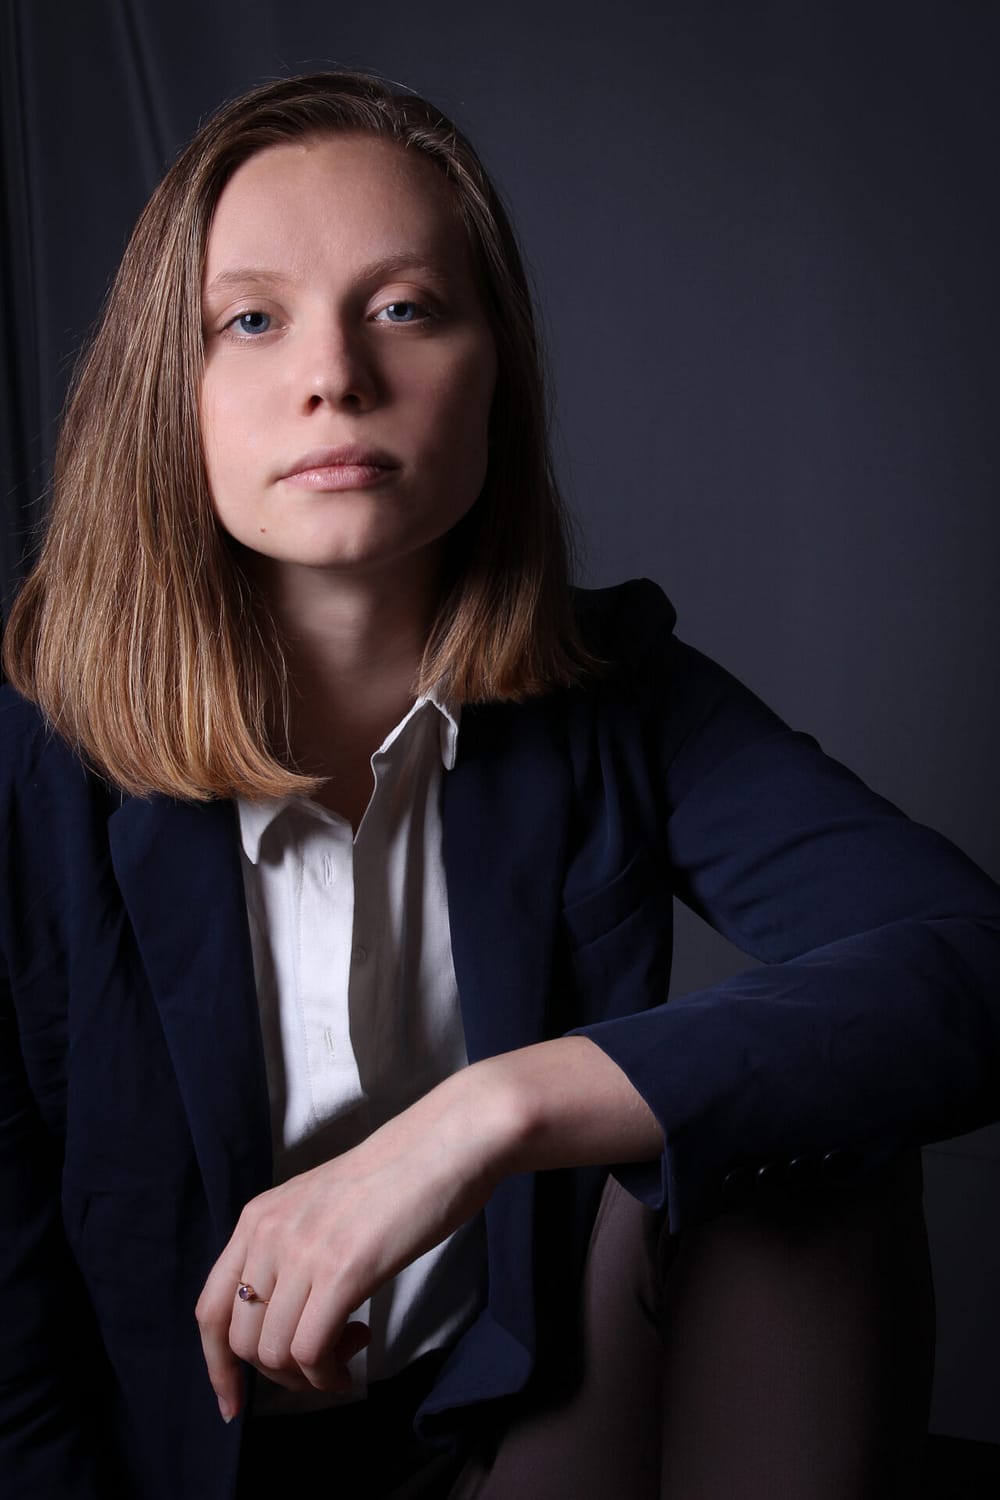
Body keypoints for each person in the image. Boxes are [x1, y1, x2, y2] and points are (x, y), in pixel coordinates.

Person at [1, 69, 997, 1500]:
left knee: (802, 1139)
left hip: (520, 1433)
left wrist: (485, 1116)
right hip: (185, 1482)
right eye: (252, 320)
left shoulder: (615, 695)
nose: (335, 375)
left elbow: (968, 960)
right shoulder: (32, 777)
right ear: (170, 393)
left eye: (406, 306)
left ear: (496, 375)